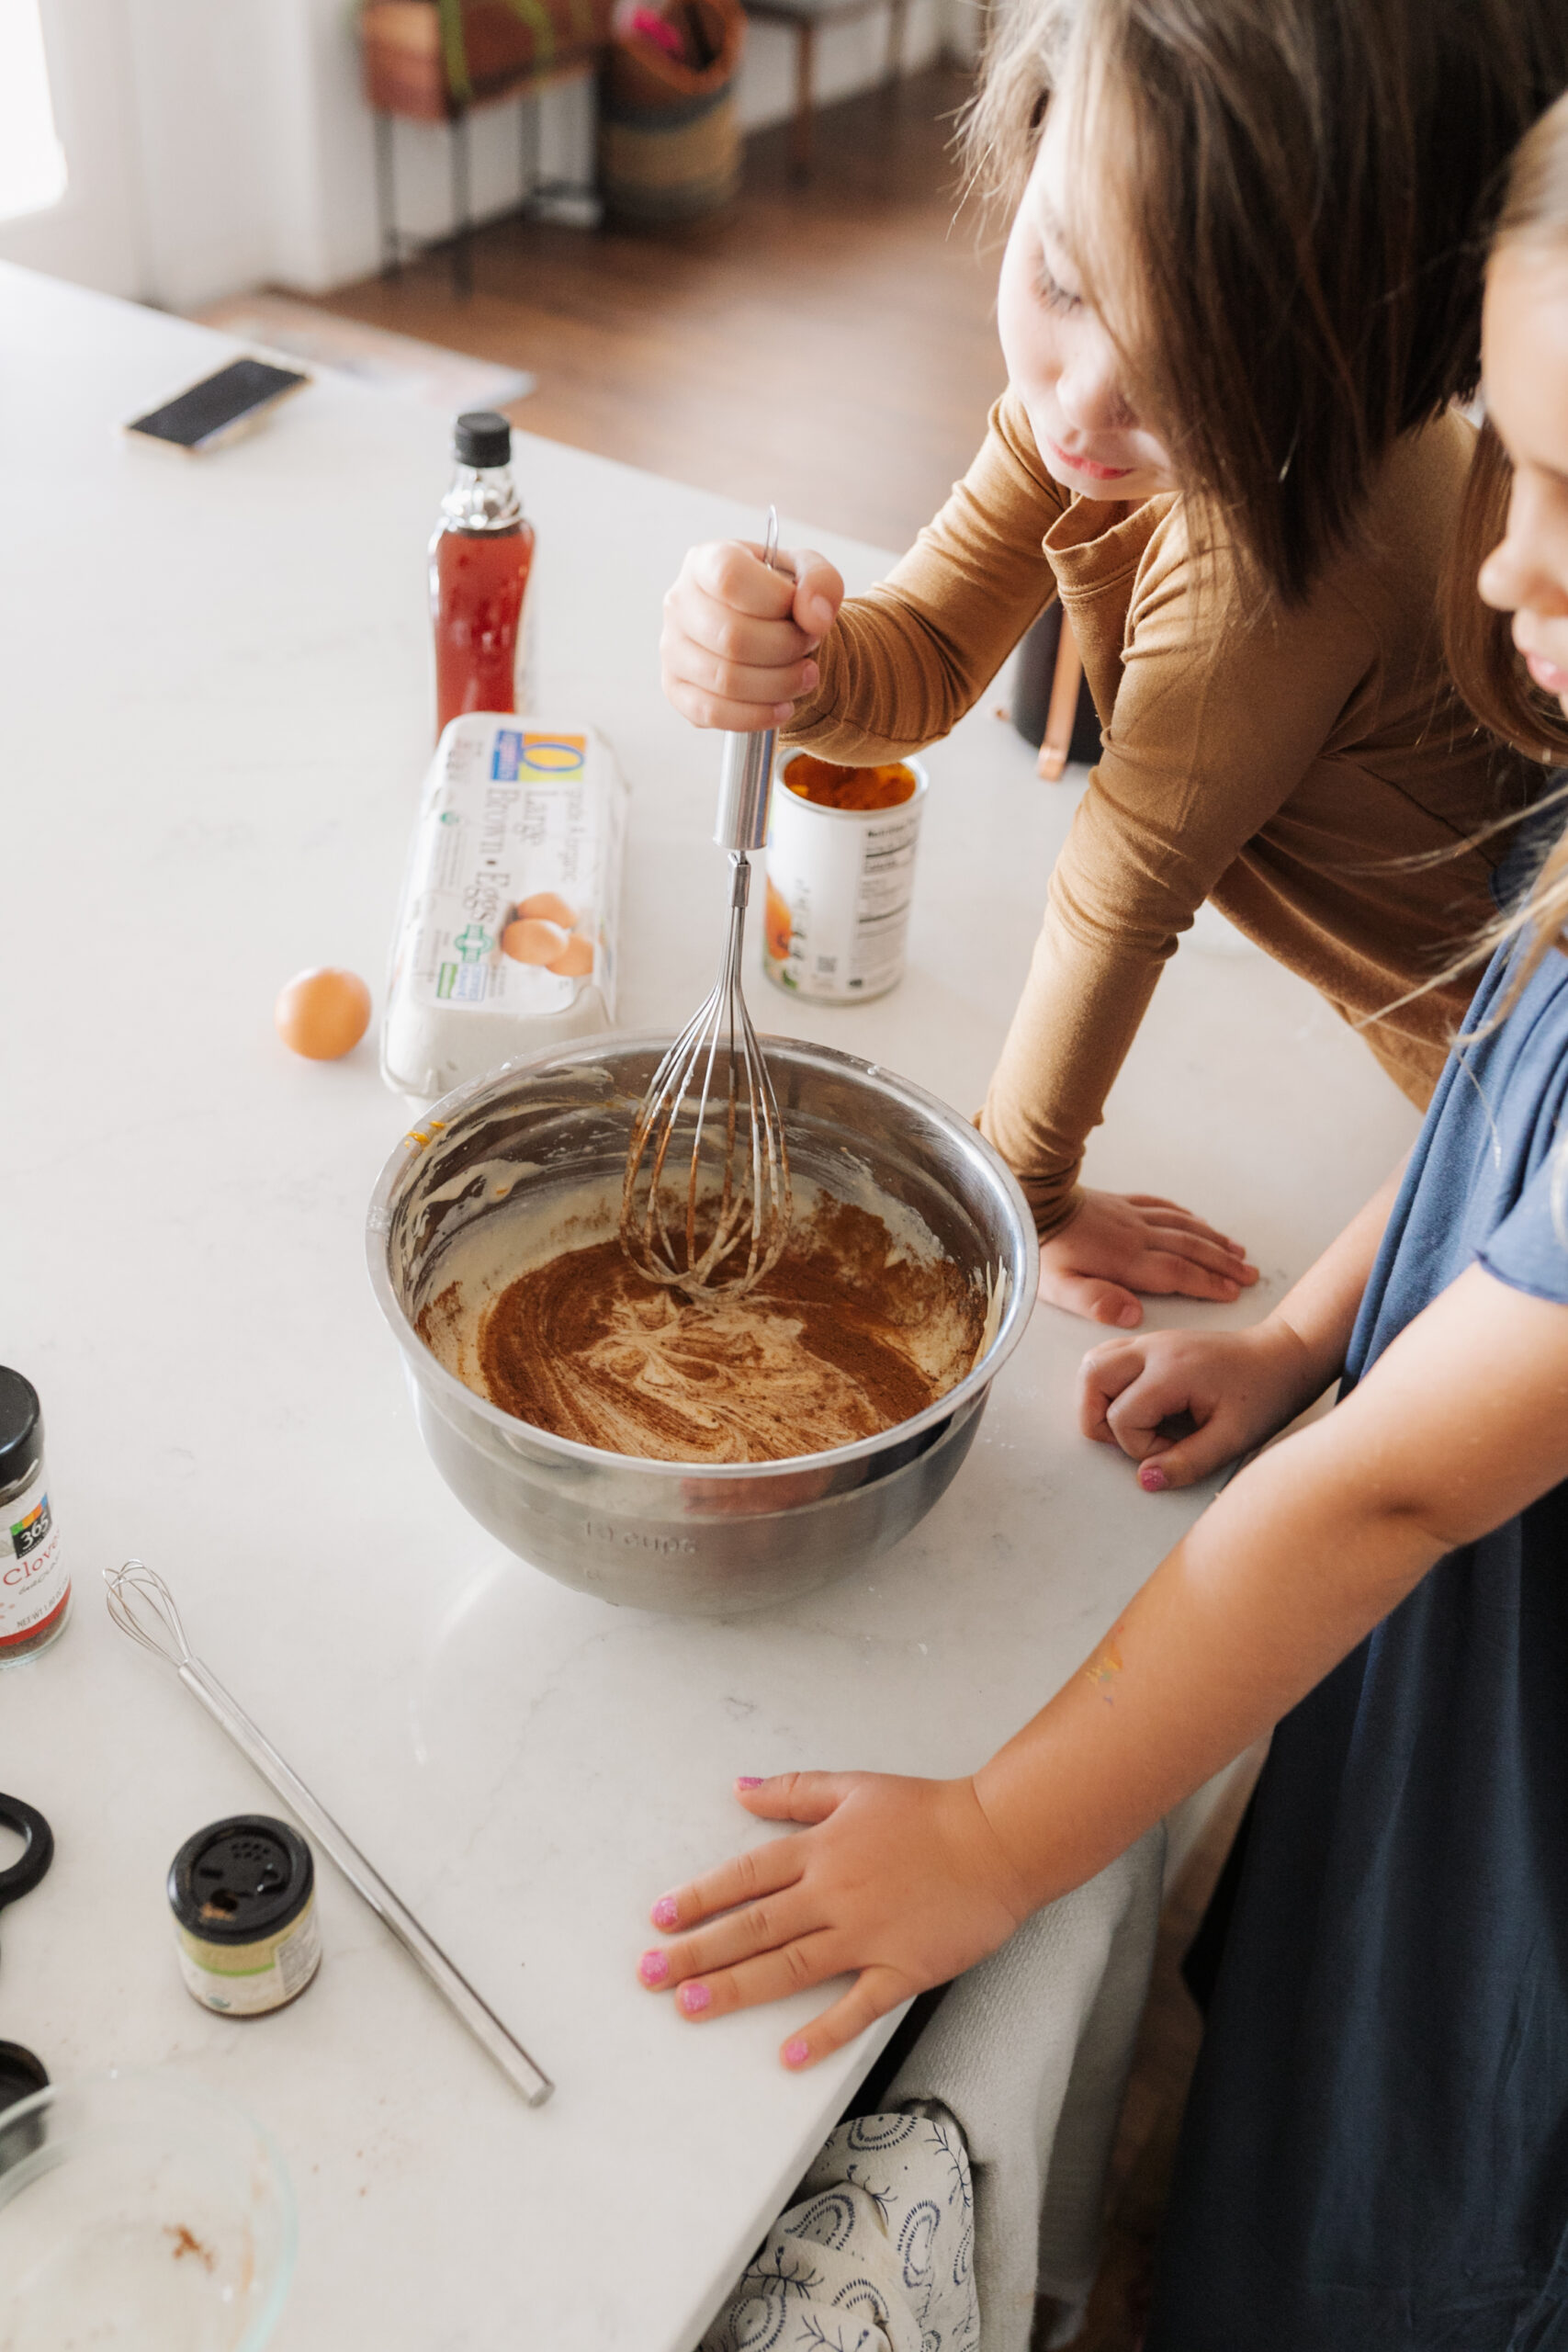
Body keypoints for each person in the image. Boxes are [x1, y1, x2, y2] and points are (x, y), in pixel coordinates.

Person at [637, 85, 1568, 2352]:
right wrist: (1311, 1327)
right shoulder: (1100, 422)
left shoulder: (1290, 554)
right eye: (1517, 463)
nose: (1501, 565)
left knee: (1454, 2129)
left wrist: (987, 1838)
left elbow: (1387, 1487)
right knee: (1327, 2000)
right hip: (1448, 1452)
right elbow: (1493, 1108)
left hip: (1509, 1689)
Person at [660, 0, 1568, 1329]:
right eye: (1065, 284)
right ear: (1029, 149)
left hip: (1505, 1107)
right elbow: (918, 654)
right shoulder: (1107, 422)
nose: (1085, 395)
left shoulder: (1285, 564)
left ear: (1374, 344)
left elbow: (1118, 898)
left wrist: (1018, 1190)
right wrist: (794, 664)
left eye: (1190, 356)